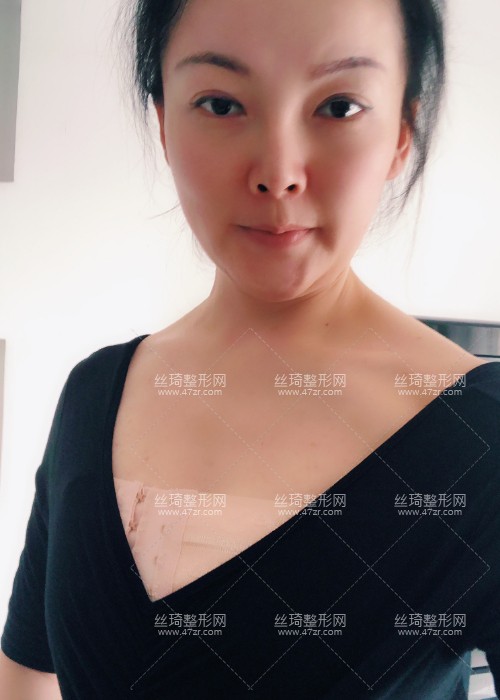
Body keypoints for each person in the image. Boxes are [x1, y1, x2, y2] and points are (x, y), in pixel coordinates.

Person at [1, 0, 499, 698]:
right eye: (221, 103)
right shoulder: (92, 395)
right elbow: (26, 677)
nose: (278, 172)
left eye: (339, 107)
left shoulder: (481, 438)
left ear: (400, 134)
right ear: (164, 125)